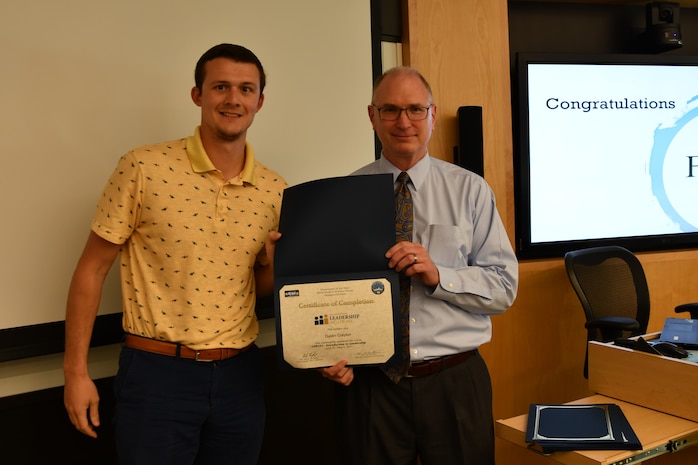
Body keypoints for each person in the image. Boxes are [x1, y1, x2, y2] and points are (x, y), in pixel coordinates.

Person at [63, 43, 287, 465]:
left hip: (241, 376)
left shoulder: (276, 191)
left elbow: (254, 288)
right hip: (157, 374)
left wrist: (275, 267)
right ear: (197, 94)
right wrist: (75, 372)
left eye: (245, 89)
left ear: (260, 101)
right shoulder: (142, 167)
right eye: (220, 86)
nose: (233, 99)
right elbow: (91, 270)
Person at [319, 66, 518, 465]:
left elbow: (503, 287)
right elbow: (331, 292)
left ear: (431, 113)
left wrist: (439, 274)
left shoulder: (471, 191)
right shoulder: (344, 196)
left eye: (414, 109)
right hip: (371, 385)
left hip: (454, 381)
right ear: (372, 116)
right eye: (390, 110)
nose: (403, 122)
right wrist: (326, 351)